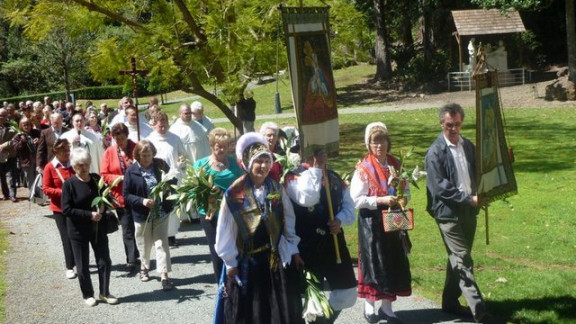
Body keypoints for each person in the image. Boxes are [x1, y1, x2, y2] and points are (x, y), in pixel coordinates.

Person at [215, 132, 303, 323]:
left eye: (266, 161)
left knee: (277, 309)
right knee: (253, 310)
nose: (263, 166)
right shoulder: (234, 193)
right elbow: (226, 229)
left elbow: (288, 220)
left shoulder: (275, 188)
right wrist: (230, 262)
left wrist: (293, 249)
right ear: (248, 163)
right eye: (258, 161)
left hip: (274, 259)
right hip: (249, 260)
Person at [425, 103, 488, 323]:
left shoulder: (468, 146)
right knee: (463, 258)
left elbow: (480, 171)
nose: (453, 129)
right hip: (447, 214)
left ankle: (449, 302)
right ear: (441, 123)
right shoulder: (434, 153)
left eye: (457, 124)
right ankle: (478, 309)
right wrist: (469, 199)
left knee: (457, 258)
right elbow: (441, 188)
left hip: (469, 211)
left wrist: (485, 192)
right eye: (449, 125)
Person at [284, 148, 357, 323]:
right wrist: (316, 169)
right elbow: (307, 198)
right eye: (317, 152)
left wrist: (339, 220)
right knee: (313, 296)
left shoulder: (334, 177)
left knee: (347, 292)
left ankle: (324, 321)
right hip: (308, 245)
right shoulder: (293, 177)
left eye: (324, 152)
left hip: (334, 242)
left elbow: (349, 207)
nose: (323, 155)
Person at [350, 122, 412, 323]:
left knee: (392, 260)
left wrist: (403, 199)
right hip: (372, 221)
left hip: (393, 219)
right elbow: (356, 200)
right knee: (373, 262)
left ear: (388, 142)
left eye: (382, 140)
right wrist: (380, 200)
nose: (379, 146)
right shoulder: (363, 168)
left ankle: (387, 308)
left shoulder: (396, 164)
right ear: (368, 144)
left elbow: (406, 190)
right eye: (374, 142)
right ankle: (369, 307)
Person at [61, 147, 118, 307]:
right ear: (73, 166)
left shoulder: (95, 179)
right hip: (78, 231)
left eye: (86, 164)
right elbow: (66, 209)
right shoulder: (69, 185)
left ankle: (105, 292)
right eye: (79, 165)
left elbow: (106, 197)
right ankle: (88, 294)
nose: (83, 167)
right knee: (82, 264)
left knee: (104, 260)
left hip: (98, 229)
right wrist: (89, 215)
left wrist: (102, 208)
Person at [123, 140, 177, 291]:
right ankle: (144, 267)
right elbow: (126, 195)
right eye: (143, 155)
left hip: (161, 212)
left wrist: (170, 198)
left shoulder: (160, 165)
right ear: (137, 155)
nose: (147, 158)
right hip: (142, 214)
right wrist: (142, 201)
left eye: (149, 155)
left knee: (161, 244)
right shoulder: (131, 171)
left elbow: (173, 181)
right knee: (144, 244)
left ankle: (164, 275)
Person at [192, 128, 243, 282]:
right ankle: (221, 284)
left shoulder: (234, 164)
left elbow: (241, 187)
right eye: (218, 146)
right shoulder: (201, 165)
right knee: (217, 250)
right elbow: (195, 191)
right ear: (212, 146)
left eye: (225, 146)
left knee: (234, 247)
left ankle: (234, 280)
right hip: (210, 213)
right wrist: (210, 194)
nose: (221, 149)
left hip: (231, 212)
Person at [146, 111, 189, 246]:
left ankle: (171, 235)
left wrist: (182, 161)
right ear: (155, 125)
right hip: (157, 177)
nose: (163, 129)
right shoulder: (150, 139)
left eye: (165, 126)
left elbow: (183, 154)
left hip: (173, 176)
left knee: (171, 205)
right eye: (160, 127)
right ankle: (158, 234)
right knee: (158, 206)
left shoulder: (175, 138)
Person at [101, 123, 139, 274]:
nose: (120, 142)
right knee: (127, 228)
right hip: (120, 196)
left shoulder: (136, 148)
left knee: (139, 227)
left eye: (122, 138)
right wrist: (121, 178)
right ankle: (131, 259)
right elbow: (104, 174)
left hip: (137, 194)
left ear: (127, 136)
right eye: (117, 139)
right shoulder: (109, 152)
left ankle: (139, 253)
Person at [43, 139, 76, 279]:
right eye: (64, 151)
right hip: (59, 208)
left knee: (76, 236)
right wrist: (62, 192)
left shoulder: (73, 165)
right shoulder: (50, 167)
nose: (67, 153)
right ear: (56, 152)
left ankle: (78, 261)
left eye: (68, 150)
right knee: (66, 237)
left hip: (75, 207)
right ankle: (69, 266)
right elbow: (46, 189)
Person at [11, 117, 40, 200]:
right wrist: (22, 142)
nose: (26, 126)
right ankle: (33, 196)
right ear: (21, 126)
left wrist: (39, 140)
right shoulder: (18, 136)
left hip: (37, 160)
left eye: (28, 124)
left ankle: (39, 196)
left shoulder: (36, 132)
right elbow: (15, 148)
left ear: (31, 125)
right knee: (30, 180)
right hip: (27, 162)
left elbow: (43, 142)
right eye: (24, 125)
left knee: (39, 179)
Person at [0, 108, 17, 201]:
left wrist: (4, 145)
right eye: (0, 115)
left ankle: (12, 195)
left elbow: (16, 139)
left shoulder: (12, 126)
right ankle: (5, 194)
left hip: (10, 155)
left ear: (7, 116)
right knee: (2, 176)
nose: (2, 117)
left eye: (4, 115)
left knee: (11, 176)